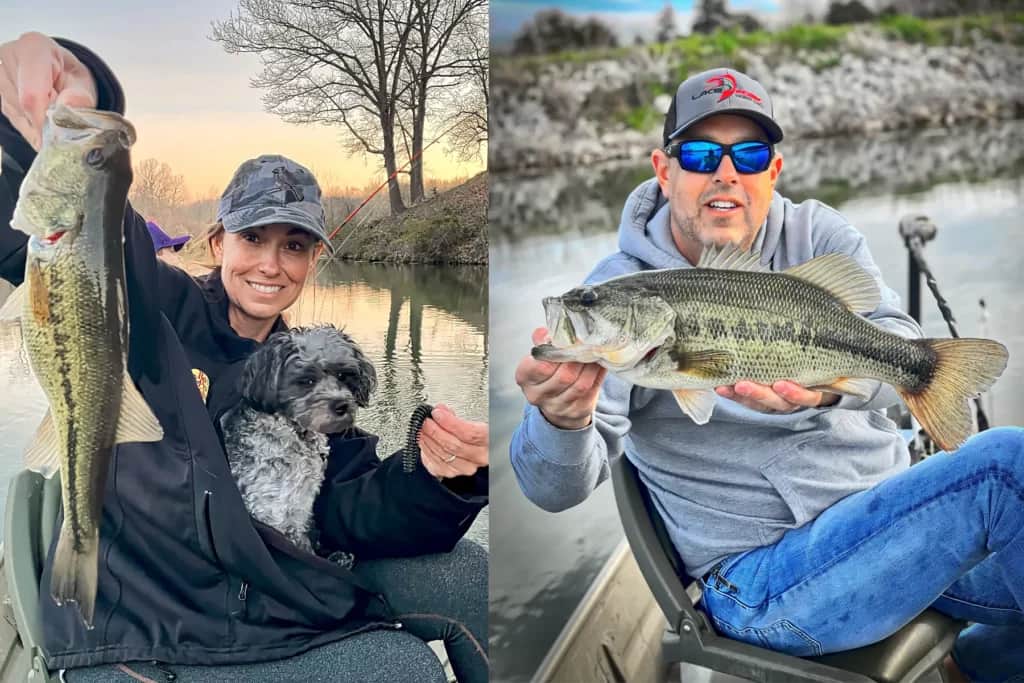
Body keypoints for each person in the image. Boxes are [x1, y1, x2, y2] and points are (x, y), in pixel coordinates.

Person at [0, 32, 489, 683]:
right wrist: (53, 109)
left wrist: (439, 477)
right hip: (152, 625)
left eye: (294, 245)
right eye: (253, 237)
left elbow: (350, 505)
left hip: (256, 599)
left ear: (316, 258)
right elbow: (73, 224)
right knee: (398, 668)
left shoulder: (308, 369)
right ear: (217, 239)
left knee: (474, 577)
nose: (270, 262)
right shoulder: (157, 306)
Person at [511, 66, 1024, 683]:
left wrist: (834, 388)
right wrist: (559, 419)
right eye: (700, 153)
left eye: (749, 154)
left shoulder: (820, 234)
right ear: (664, 169)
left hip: (885, 520)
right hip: (760, 583)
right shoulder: (614, 292)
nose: (725, 172)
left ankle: (976, 666)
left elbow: (905, 346)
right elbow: (553, 489)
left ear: (772, 172)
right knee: (1004, 467)